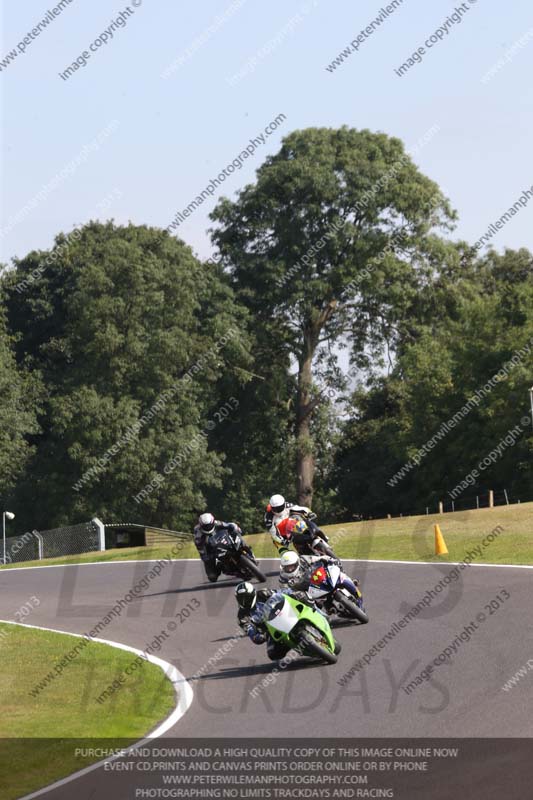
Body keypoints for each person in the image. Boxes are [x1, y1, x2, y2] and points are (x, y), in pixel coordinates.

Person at [235, 581, 323, 661]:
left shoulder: (263, 593)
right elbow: (250, 631)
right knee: (273, 654)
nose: (244, 601)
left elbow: (281, 593)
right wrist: (258, 637)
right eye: (241, 598)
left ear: (253, 594)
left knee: (303, 597)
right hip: (271, 630)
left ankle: (320, 614)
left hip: (283, 612)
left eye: (246, 597)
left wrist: (293, 593)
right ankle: (296, 646)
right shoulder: (242, 616)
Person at [264, 493, 329, 552]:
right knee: (283, 549)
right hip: (284, 535)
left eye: (280, 507)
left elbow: (298, 508)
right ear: (272, 507)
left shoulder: (287, 505)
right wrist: (282, 541)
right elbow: (274, 533)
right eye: (276, 509)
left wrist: (309, 512)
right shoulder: (268, 518)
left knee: (304, 520)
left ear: (283, 504)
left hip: (293, 525)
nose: (278, 510)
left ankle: (322, 536)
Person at [193, 512, 242, 582]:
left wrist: (235, 528)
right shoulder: (198, 535)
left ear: (212, 522)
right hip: (209, 548)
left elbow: (228, 525)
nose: (208, 527)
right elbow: (200, 549)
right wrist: (206, 557)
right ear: (201, 525)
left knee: (236, 534)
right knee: (212, 576)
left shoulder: (217, 523)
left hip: (221, 539)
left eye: (209, 525)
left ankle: (244, 549)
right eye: (205, 526)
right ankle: (221, 566)